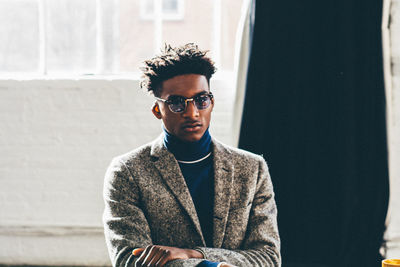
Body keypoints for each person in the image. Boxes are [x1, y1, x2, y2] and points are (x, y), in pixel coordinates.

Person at [103, 43, 281, 267]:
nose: (192, 112)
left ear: (212, 102)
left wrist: (193, 254)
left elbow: (268, 258)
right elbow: (130, 259)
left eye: (201, 100)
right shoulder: (127, 171)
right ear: (158, 110)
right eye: (177, 103)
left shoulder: (252, 168)